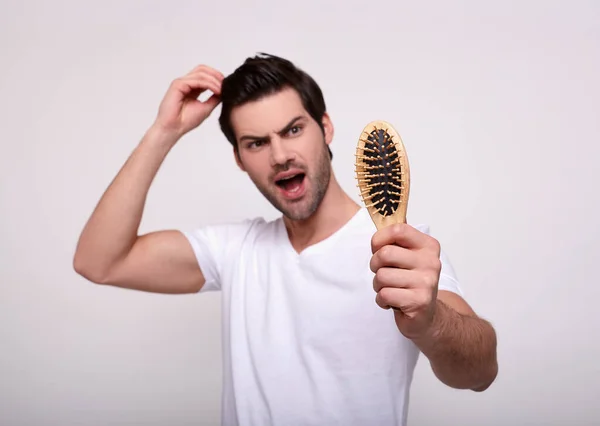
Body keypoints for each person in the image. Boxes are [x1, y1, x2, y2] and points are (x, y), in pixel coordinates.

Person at [73, 53, 498, 426]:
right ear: (240, 159)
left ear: (325, 127)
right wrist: (164, 130)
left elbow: (480, 372)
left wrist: (429, 321)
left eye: (293, 130)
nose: (279, 155)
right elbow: (99, 261)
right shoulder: (237, 250)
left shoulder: (400, 247)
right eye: (257, 143)